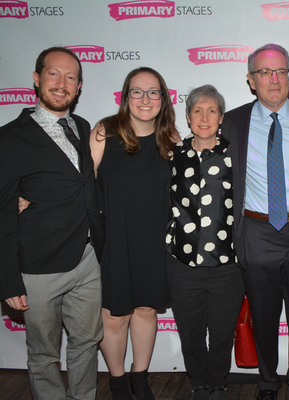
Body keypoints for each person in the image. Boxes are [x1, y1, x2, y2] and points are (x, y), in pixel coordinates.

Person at [220, 43, 289, 400]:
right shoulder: (232, 121)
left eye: (281, 71)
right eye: (265, 72)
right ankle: (267, 382)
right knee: (263, 316)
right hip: (256, 230)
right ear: (251, 80)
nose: (274, 79)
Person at [0, 47, 105, 400]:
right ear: (36, 78)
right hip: (39, 266)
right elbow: (2, 213)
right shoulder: (9, 138)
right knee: (44, 354)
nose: (61, 84)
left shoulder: (82, 126)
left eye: (71, 77)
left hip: (87, 257)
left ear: (78, 87)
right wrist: (8, 277)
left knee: (87, 342)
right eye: (53, 74)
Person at [90, 67, 177, 400]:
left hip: (155, 242)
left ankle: (140, 378)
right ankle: (117, 381)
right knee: (113, 317)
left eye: (153, 92)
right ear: (126, 97)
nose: (145, 99)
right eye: (137, 92)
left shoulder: (171, 140)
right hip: (112, 241)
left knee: (145, 311)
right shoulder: (105, 132)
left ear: (163, 99)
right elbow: (81, 184)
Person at [166, 85, 245, 400]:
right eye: (197, 110)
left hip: (228, 265)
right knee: (191, 332)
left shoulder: (236, 154)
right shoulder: (172, 155)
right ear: (187, 117)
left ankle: (217, 382)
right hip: (182, 264)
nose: (204, 116)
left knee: (223, 332)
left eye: (212, 110)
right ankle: (199, 382)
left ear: (221, 117)